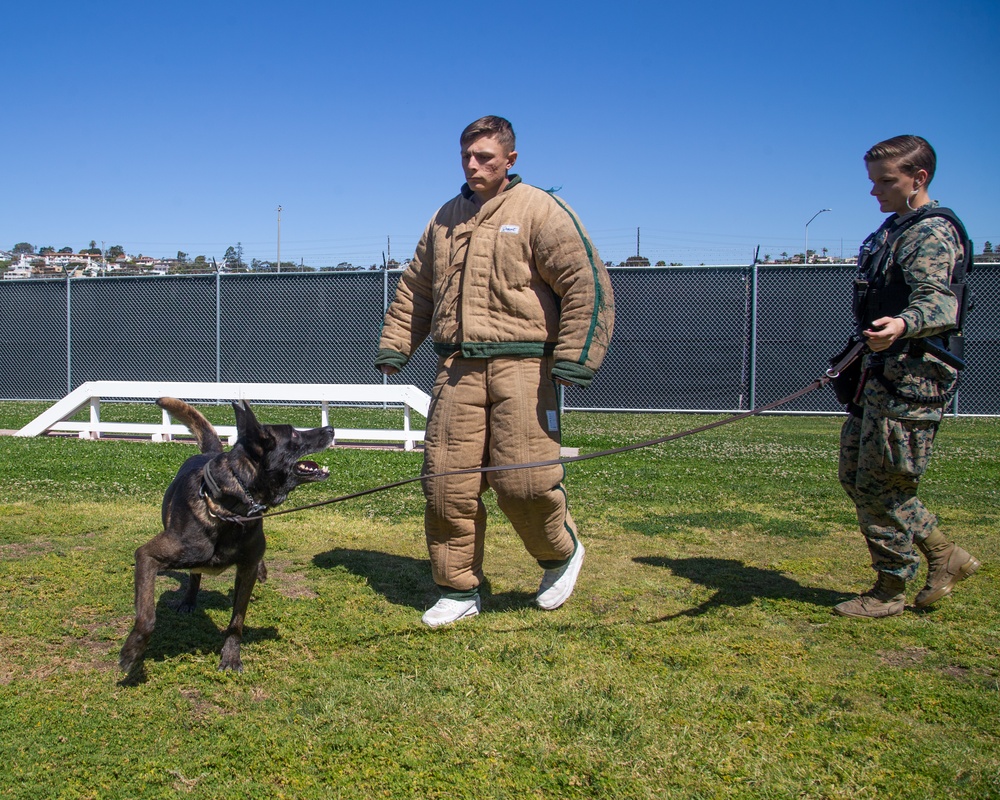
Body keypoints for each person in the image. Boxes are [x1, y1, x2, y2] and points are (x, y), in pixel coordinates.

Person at [376, 115, 614, 627]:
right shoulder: (444, 217)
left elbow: (585, 282)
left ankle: (559, 555)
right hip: (456, 369)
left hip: (524, 367)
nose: (474, 164)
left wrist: (576, 354)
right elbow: (416, 289)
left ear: (511, 158)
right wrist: (398, 344)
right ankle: (457, 589)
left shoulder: (540, 210)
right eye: (467, 156)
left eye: (485, 156)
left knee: (523, 483)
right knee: (445, 485)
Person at [834, 134, 980, 618]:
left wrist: (901, 324)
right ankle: (944, 555)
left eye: (885, 181)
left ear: (918, 179)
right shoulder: (892, 231)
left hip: (913, 380)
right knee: (859, 477)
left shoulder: (931, 232)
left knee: (884, 483)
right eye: (872, 181)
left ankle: (890, 589)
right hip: (880, 375)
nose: (874, 191)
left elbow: (940, 301)